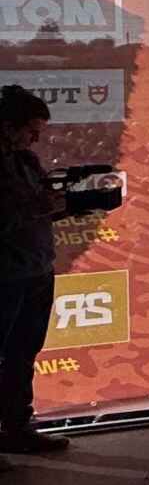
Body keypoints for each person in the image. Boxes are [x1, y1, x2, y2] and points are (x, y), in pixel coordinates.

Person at [0, 86, 63, 458]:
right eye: (30, 130)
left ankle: (17, 428)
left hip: (36, 271)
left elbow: (40, 209)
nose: (36, 139)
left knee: (23, 354)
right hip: (5, 277)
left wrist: (68, 205)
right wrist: (38, 207)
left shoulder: (26, 162)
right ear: (8, 125)